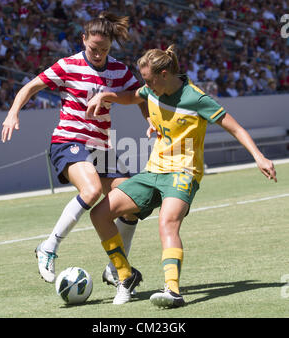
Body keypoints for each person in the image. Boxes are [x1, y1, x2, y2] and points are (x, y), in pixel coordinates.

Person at [85, 45, 277, 307]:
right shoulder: (151, 89)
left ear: (164, 74)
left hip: (184, 173)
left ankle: (172, 290)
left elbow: (236, 128)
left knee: (167, 221)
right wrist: (107, 96)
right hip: (153, 170)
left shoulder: (196, 99)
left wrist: (259, 156)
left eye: (150, 79)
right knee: (99, 214)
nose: (146, 85)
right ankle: (125, 275)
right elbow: (133, 96)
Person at [1, 12, 149, 287]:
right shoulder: (68, 65)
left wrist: (150, 120)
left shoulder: (118, 70)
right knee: (91, 190)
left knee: (132, 203)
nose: (98, 54)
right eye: (94, 48)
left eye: (104, 50)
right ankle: (48, 247)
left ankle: (116, 267)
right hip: (69, 141)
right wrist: (13, 112)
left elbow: (138, 96)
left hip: (100, 146)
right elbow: (31, 86)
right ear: (83, 40)